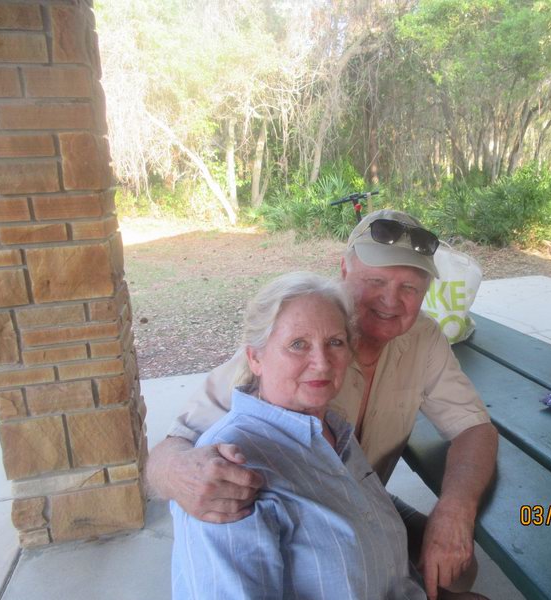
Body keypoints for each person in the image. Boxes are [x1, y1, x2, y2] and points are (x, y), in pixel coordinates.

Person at [149, 209, 498, 599]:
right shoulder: (287, 336)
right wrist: (183, 475)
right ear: (344, 271)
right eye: (376, 281)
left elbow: (474, 426)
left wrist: (455, 509)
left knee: (454, 570)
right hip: (306, 505)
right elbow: (174, 446)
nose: (391, 300)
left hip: (363, 493)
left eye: (409, 288)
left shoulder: (422, 337)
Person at [171, 272, 426, 599]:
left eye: (335, 342)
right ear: (255, 357)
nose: (322, 364)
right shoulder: (228, 472)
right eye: (297, 345)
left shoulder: (332, 431)